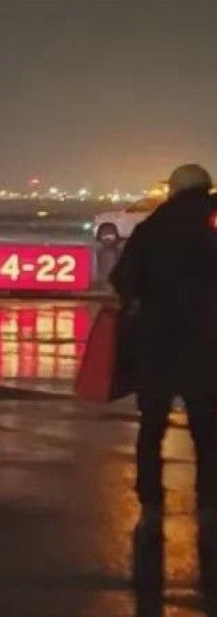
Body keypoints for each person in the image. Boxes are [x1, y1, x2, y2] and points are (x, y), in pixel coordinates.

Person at [110, 164, 217, 531]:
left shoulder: (150, 228)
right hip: (205, 343)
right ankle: (208, 502)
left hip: (156, 343)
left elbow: (122, 278)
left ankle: (151, 500)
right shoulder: (213, 224)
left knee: (152, 426)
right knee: (206, 429)